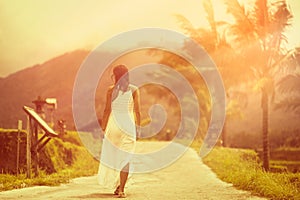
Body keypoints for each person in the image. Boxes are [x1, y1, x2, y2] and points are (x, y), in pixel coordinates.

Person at [97, 64, 141, 198]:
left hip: (113, 126)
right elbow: (137, 112)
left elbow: (106, 111)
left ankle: (118, 185)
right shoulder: (134, 90)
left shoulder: (111, 90)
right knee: (125, 158)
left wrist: (103, 128)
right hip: (127, 127)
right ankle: (121, 189)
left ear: (115, 76)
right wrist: (138, 129)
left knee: (114, 157)